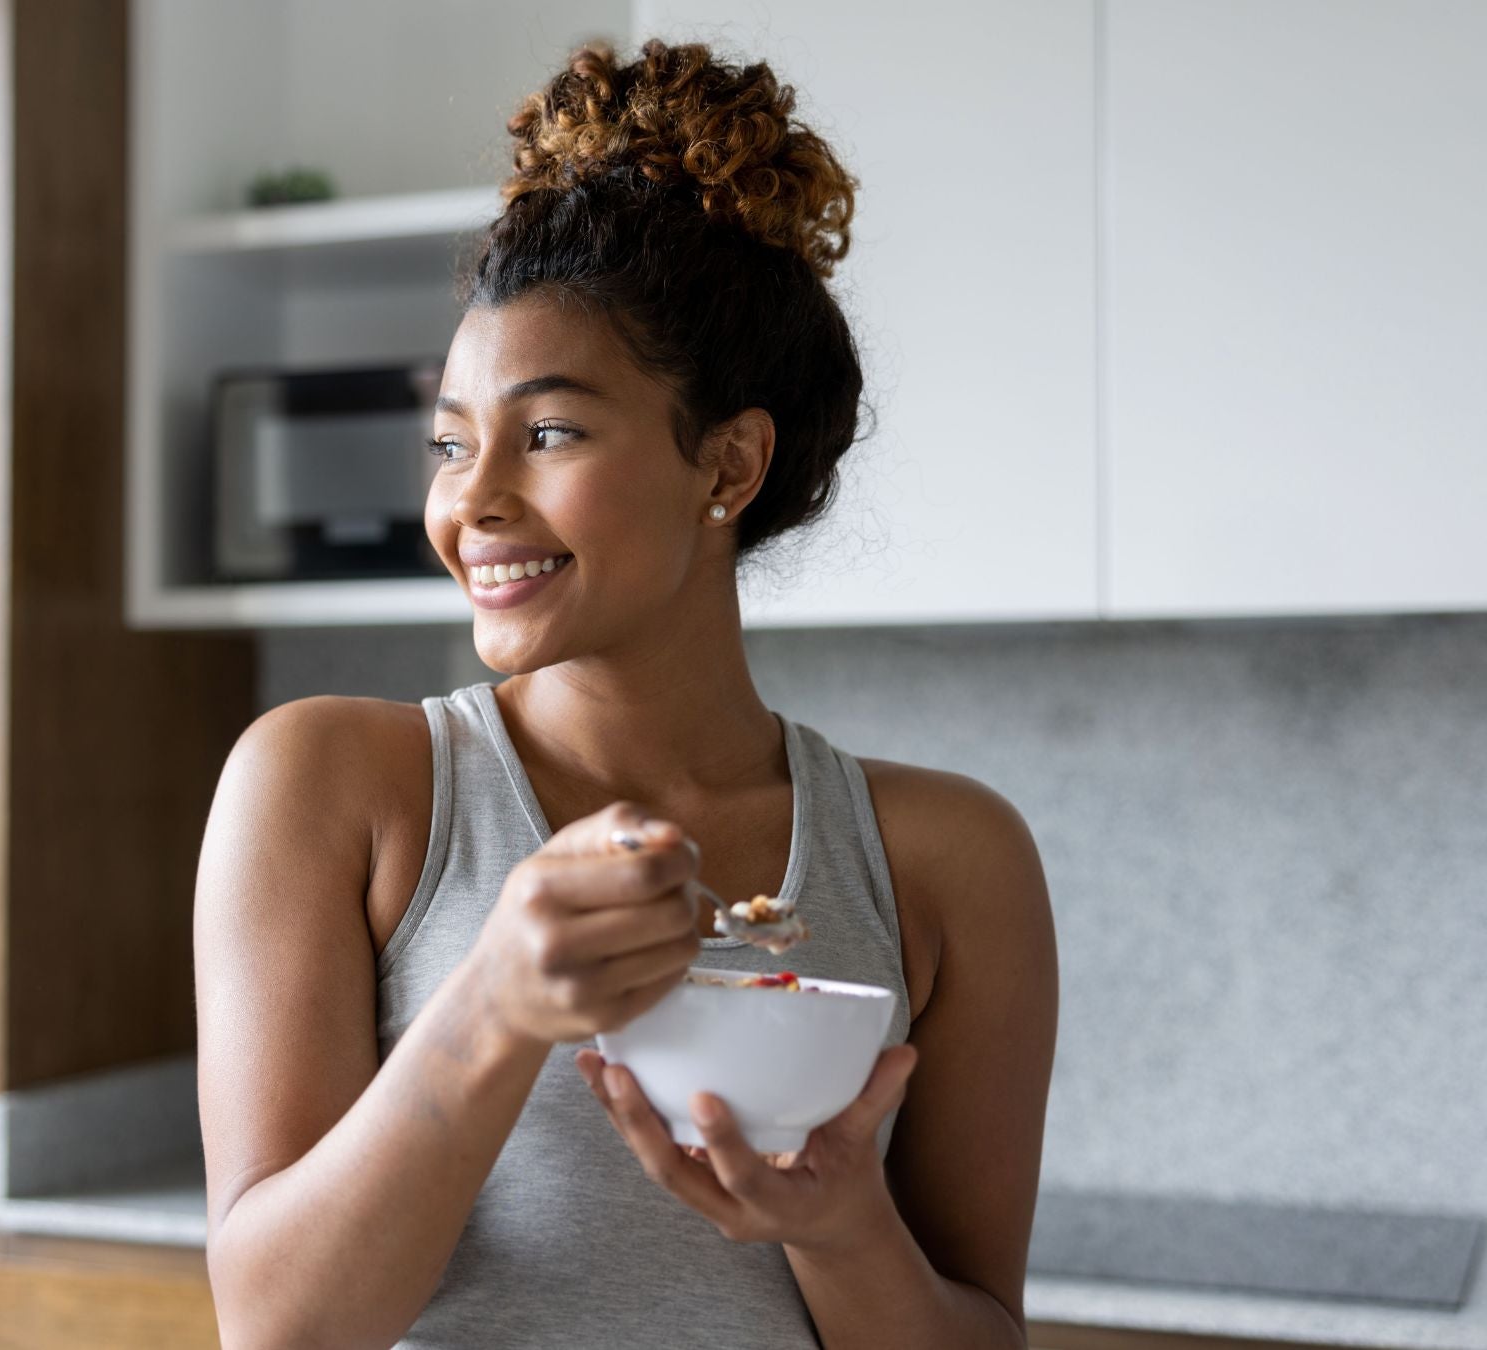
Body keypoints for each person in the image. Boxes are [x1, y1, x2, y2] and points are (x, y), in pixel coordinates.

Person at [195, 38, 1058, 1349]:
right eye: (449, 441)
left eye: (546, 433)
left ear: (728, 465)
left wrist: (838, 1223)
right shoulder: (331, 787)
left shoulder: (949, 860)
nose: (468, 501)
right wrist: (490, 1001)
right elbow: (276, 1327)